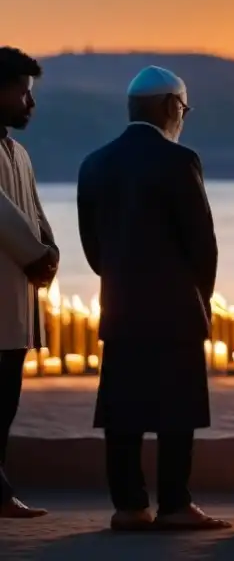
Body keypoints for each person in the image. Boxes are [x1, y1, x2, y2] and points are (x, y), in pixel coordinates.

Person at [77, 66, 229, 531]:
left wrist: (121, 280)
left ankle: (128, 506)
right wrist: (198, 297)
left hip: (120, 306)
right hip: (175, 308)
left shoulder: (94, 163)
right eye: (182, 109)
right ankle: (175, 505)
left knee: (123, 411)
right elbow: (202, 245)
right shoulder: (178, 161)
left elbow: (92, 248)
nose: (183, 118)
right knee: (175, 411)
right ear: (169, 107)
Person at [0, 47, 57, 519]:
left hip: (17, 301)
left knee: (5, 405)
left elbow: (34, 212)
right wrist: (38, 256)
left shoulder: (18, 152)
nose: (29, 104)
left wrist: (50, 251)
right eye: (22, 93)